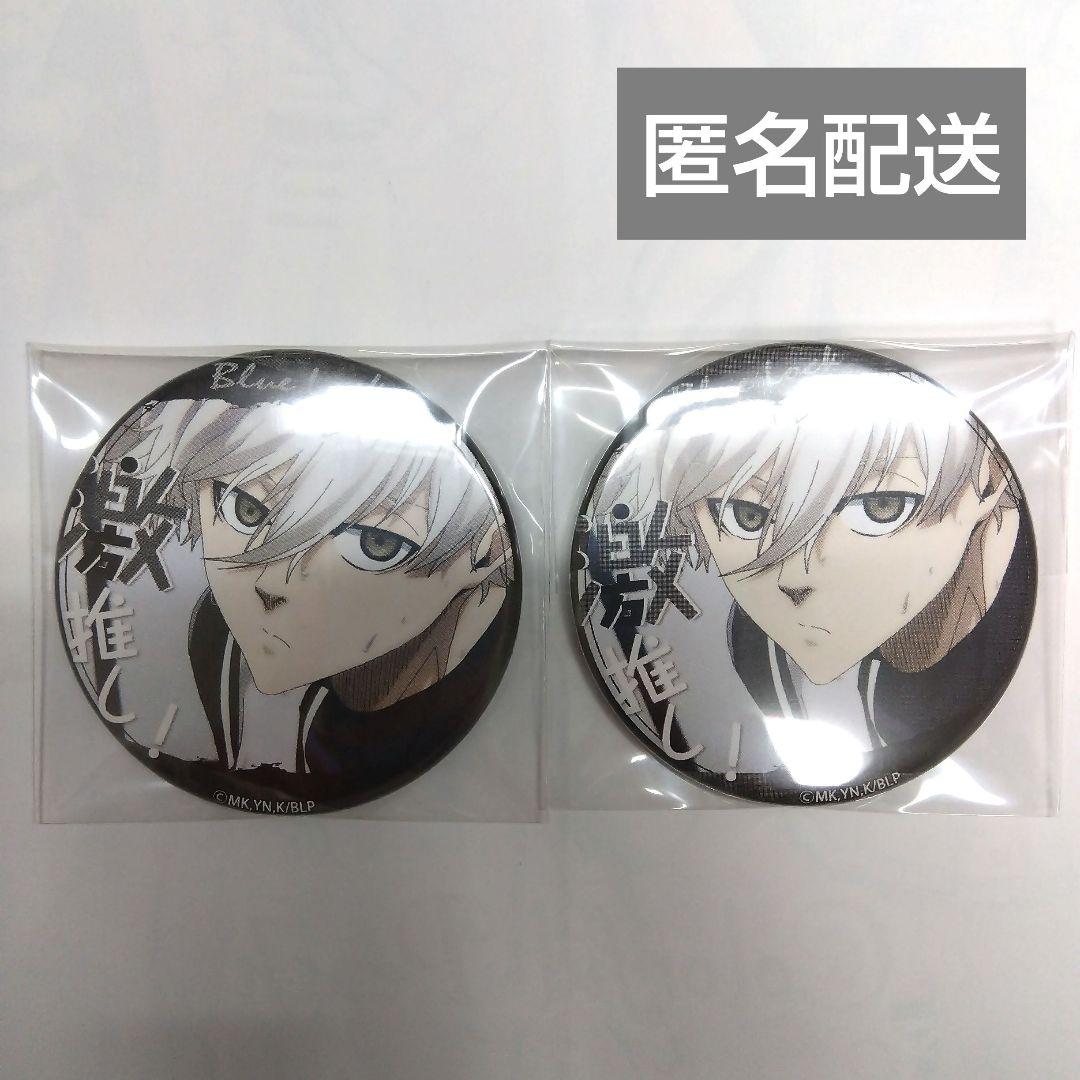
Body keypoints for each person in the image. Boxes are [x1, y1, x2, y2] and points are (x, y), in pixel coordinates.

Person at [584, 346, 1034, 790]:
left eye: (880, 507)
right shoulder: (756, 647)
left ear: (987, 482)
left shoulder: (985, 656)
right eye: (747, 515)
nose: (796, 576)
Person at [95, 381, 516, 801]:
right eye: (247, 508)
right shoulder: (216, 632)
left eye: (376, 544)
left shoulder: (440, 710)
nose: (272, 584)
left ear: (486, 554)